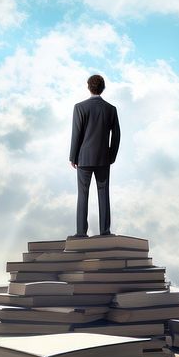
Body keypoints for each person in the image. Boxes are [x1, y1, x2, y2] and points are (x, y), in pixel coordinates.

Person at [69, 74, 120, 238]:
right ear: (103, 88)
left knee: (82, 194)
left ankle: (81, 232)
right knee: (103, 193)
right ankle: (105, 231)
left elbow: (76, 134)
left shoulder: (79, 107)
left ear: (88, 87)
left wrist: (73, 156)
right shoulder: (111, 109)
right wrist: (111, 155)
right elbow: (117, 135)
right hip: (104, 158)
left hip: (83, 158)